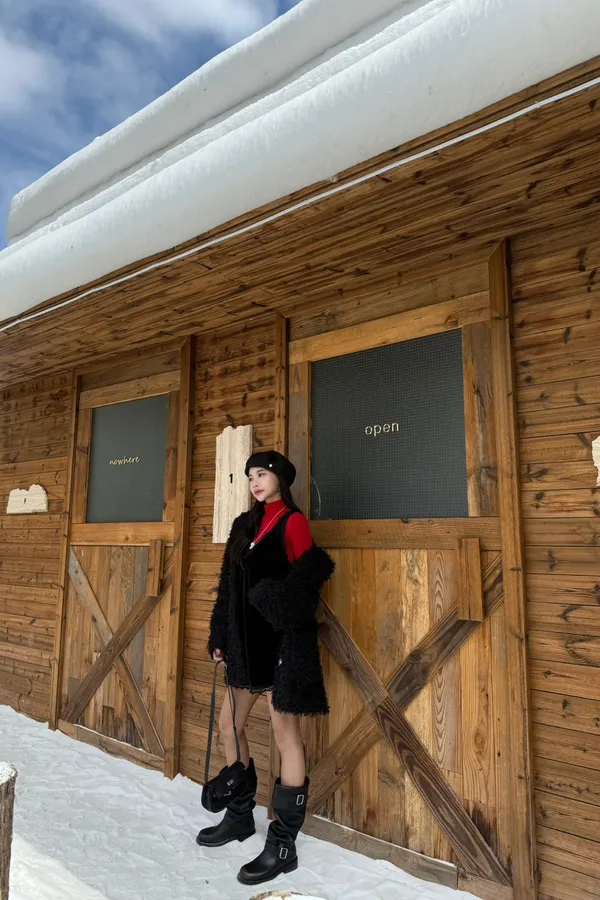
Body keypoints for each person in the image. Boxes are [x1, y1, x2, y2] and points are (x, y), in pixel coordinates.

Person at [196, 449, 334, 887]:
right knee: (228, 726)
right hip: (243, 650)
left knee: (285, 736)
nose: (255, 482)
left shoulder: (293, 523)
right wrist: (220, 636)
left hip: (280, 650)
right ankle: (240, 816)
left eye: (263, 474)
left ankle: (282, 844)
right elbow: (227, 588)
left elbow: (304, 589)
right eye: (250, 475)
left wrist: (267, 600)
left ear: (280, 479)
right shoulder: (244, 525)